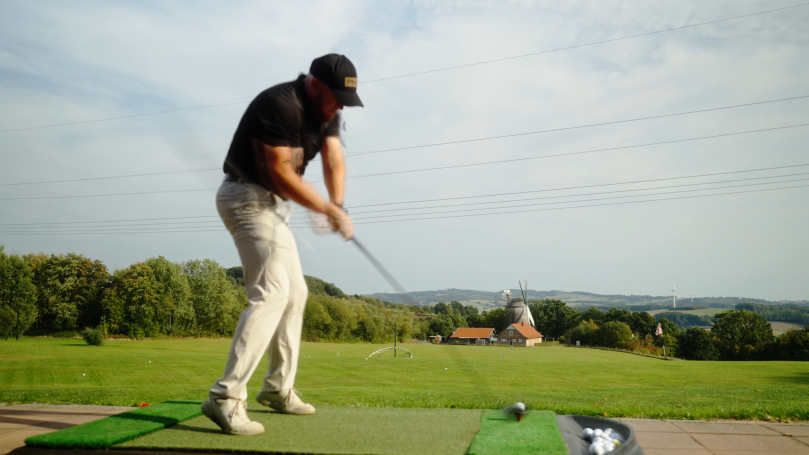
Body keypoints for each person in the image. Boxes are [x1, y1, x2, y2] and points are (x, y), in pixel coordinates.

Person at [201, 54, 362, 436]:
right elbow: (279, 171)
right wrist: (323, 207)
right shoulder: (281, 104)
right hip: (245, 199)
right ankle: (225, 397)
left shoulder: (327, 112)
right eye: (336, 96)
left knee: (295, 295)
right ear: (315, 84)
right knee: (272, 293)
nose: (340, 105)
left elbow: (334, 160)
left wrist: (337, 206)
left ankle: (276, 389)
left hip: (272, 206)